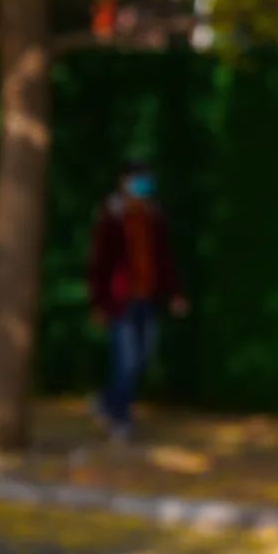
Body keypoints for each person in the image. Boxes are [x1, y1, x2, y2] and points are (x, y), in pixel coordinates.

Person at [88, 161, 188, 441]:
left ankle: (108, 401)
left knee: (142, 357)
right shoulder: (112, 216)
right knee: (127, 360)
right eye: (138, 180)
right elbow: (100, 263)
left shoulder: (153, 215)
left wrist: (175, 292)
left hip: (147, 298)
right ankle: (120, 417)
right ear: (123, 182)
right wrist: (99, 302)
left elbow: (165, 258)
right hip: (121, 301)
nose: (143, 185)